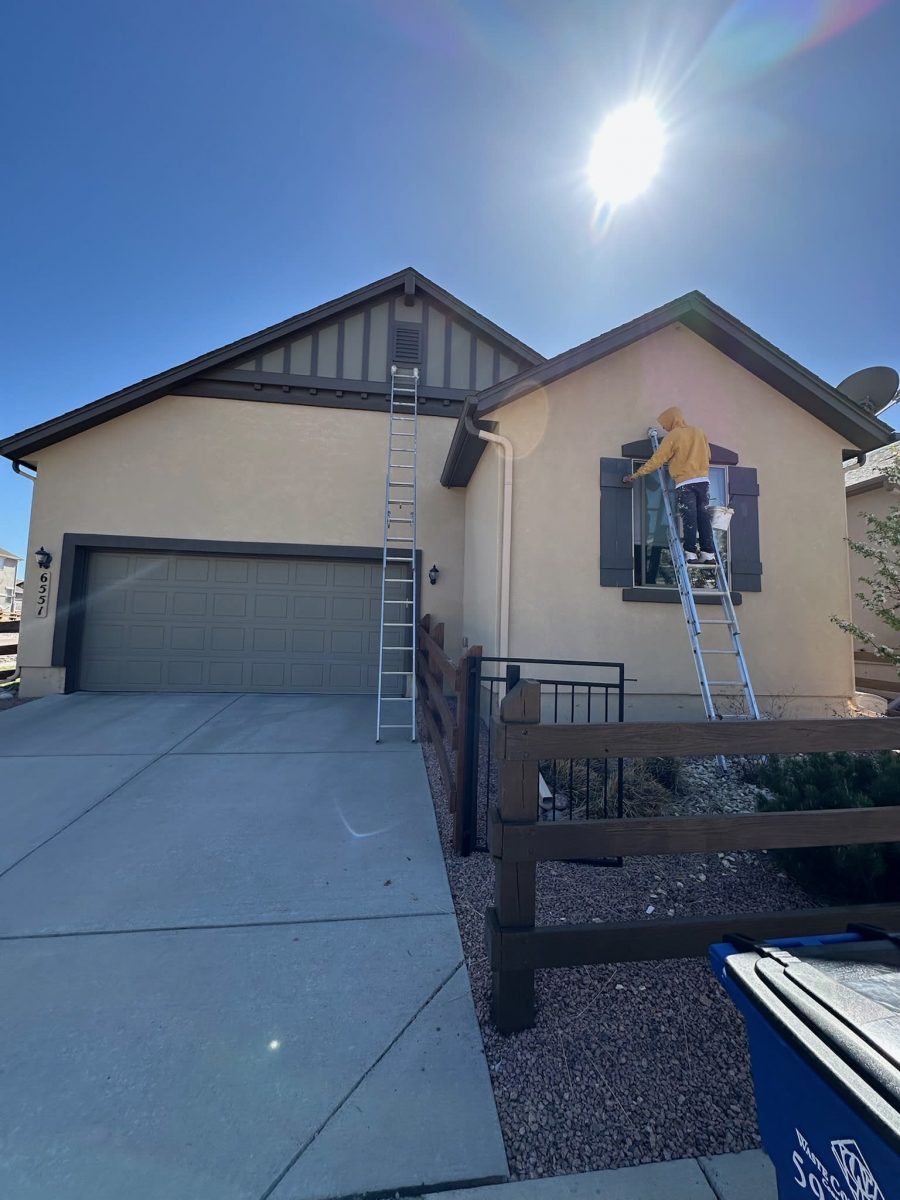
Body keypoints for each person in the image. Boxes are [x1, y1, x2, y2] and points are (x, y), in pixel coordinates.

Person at [623, 407, 716, 563]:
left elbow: (657, 460)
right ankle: (708, 554)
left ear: (671, 420)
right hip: (703, 481)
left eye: (665, 424)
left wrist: (636, 474)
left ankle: (690, 553)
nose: (665, 428)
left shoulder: (673, 436)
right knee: (703, 517)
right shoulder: (699, 432)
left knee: (689, 518)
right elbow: (709, 455)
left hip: (685, 483)